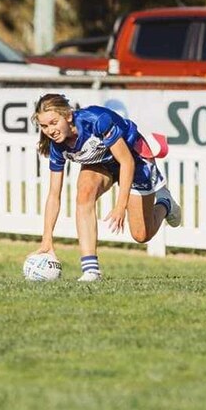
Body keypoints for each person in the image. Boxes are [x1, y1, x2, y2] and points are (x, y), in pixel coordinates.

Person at [30, 93, 182, 282]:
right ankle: (91, 270)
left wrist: (120, 206)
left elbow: (126, 162)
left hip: (135, 161)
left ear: (68, 116)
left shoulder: (96, 121)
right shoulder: (57, 146)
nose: (50, 130)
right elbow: (54, 196)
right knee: (84, 193)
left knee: (141, 235)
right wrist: (47, 239)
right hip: (102, 163)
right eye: (44, 126)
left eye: (53, 123)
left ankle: (165, 203)